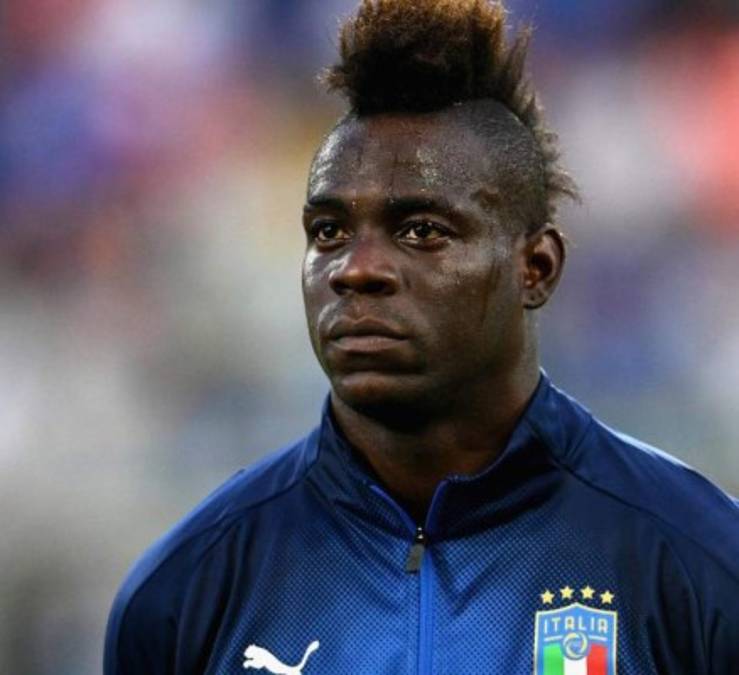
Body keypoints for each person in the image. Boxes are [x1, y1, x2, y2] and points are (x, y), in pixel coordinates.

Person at [104, 1, 739, 673]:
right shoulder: (186, 592)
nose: (355, 269)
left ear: (535, 267)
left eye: (421, 230)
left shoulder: (699, 564)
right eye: (328, 232)